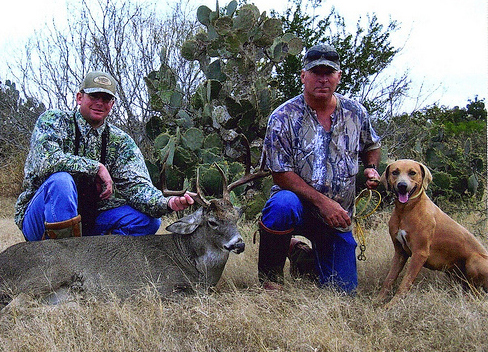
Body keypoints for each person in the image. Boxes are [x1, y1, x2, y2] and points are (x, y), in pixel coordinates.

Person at [258, 44, 381, 293]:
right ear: (304, 76)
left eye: (329, 72)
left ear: (338, 77)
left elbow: (372, 144)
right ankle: (271, 281)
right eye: (316, 72)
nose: (323, 79)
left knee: (342, 294)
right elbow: (280, 173)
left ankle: (302, 255)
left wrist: (370, 168)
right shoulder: (282, 117)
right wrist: (323, 203)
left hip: (338, 217)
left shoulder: (356, 112)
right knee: (281, 205)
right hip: (300, 207)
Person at [14, 71, 193, 241]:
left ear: (112, 104)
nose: (100, 102)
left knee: (149, 221)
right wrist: (96, 167)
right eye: (93, 96)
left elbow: (137, 186)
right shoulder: (53, 120)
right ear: (79, 98)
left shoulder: (121, 141)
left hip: (91, 219)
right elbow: (46, 160)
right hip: (41, 219)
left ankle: (97, 259)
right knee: (61, 182)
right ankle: (60, 258)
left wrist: (167, 203)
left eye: (106, 98)